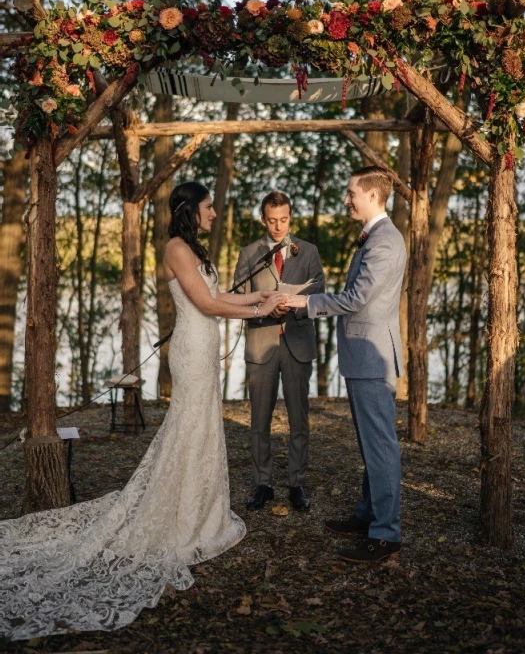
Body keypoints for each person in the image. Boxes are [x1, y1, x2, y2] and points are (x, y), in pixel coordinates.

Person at [0, 181, 283, 641]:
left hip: (205, 346)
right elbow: (207, 303)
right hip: (191, 351)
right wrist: (256, 309)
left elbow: (222, 299)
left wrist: (261, 300)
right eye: (209, 208)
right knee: (189, 429)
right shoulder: (175, 249)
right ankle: (183, 518)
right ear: (192, 209)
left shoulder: (194, 249)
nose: (215, 214)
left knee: (204, 429)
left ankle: (203, 510)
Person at [283, 167, 406, 562]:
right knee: (371, 446)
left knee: (381, 448)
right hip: (364, 356)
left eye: (352, 192)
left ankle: (386, 534)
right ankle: (368, 515)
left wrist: (306, 302)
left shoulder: (384, 241)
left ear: (372, 194)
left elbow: (356, 299)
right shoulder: (376, 237)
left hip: (372, 358)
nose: (346, 198)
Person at [233, 191, 325, 512]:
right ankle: (263, 483)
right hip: (262, 343)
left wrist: (293, 307)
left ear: (290, 216)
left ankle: (296, 483)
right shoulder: (248, 253)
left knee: (299, 419)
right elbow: (239, 297)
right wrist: (264, 309)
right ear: (263, 218)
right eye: (272, 220)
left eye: (283, 220)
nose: (278, 226)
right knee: (259, 419)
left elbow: (319, 294)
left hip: (298, 343)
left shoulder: (309, 252)